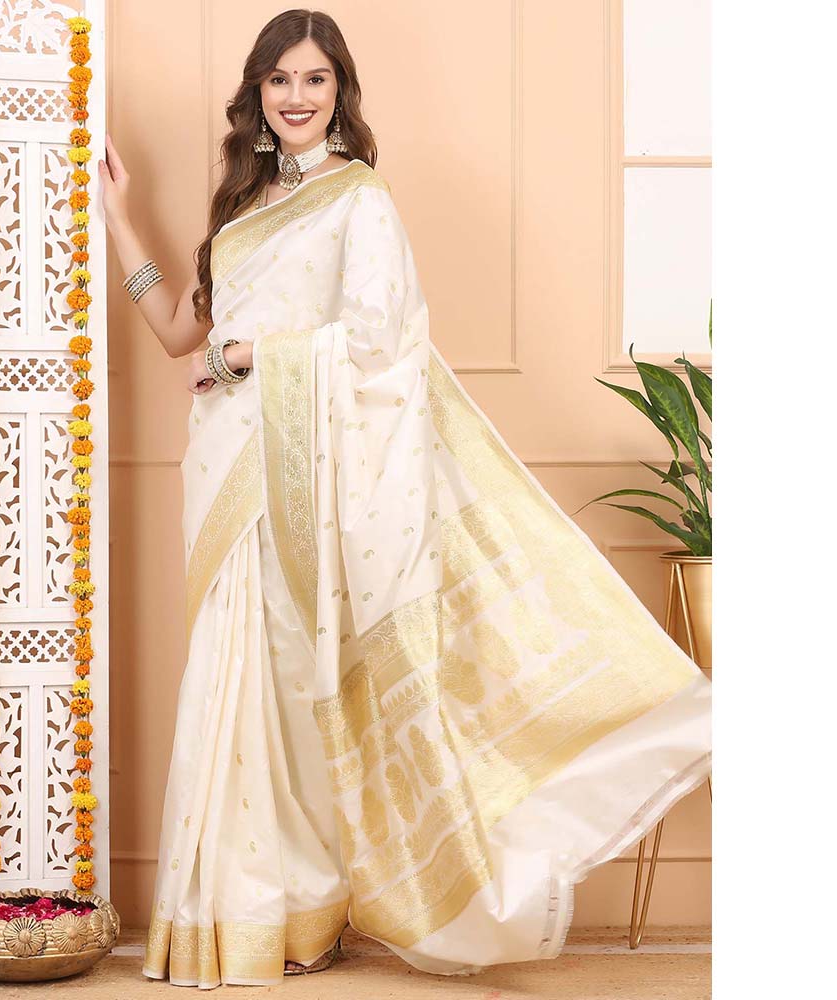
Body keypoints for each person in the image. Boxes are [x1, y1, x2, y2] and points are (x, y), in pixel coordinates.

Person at [99, 8, 712, 991]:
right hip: (223, 469)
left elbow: (380, 346)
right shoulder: (247, 204)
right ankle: (243, 912)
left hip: (298, 467)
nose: (296, 97)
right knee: (232, 677)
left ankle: (293, 907)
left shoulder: (360, 201)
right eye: (279, 80)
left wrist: (253, 354)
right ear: (256, 95)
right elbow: (179, 332)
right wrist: (119, 219)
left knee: (289, 682)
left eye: (315, 79)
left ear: (339, 91)